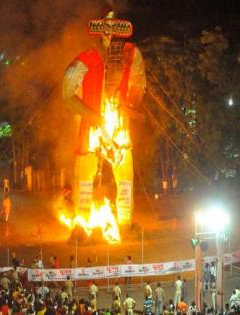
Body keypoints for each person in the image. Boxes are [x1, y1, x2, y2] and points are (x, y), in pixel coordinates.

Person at [62, 7, 146, 227]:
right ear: (98, 29)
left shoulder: (131, 54)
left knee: (125, 178)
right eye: (105, 26)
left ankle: (125, 223)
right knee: (84, 177)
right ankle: (83, 225)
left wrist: (129, 104)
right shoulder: (87, 58)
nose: (109, 31)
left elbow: (139, 85)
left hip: (119, 128)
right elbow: (66, 93)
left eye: (113, 25)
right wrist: (92, 115)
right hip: (91, 128)